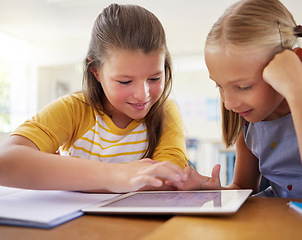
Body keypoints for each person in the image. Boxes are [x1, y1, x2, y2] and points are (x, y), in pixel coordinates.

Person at [177, 0, 302, 203]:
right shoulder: (248, 119)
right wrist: (211, 191)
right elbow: (242, 187)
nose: (228, 104)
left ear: (294, 61)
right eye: (218, 85)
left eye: (244, 87)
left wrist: (298, 89)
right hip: (284, 221)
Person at [0, 4, 189, 193]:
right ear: (96, 72)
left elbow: (169, 179)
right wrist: (114, 176)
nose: (143, 94)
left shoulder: (166, 111)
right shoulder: (73, 109)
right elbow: (5, 161)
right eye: (125, 81)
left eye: (154, 78)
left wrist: (61, 173)